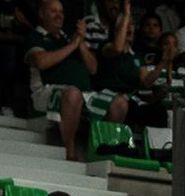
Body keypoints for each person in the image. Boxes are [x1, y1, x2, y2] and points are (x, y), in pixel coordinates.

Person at [27, 0, 130, 161]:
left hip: (83, 93)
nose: (59, 15)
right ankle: (70, 152)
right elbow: (41, 62)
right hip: (46, 92)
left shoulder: (68, 37)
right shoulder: (35, 36)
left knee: (120, 103)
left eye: (61, 12)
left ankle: (102, 153)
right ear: (41, 14)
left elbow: (93, 68)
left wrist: (80, 42)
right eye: (53, 11)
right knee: (73, 93)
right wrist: (73, 45)